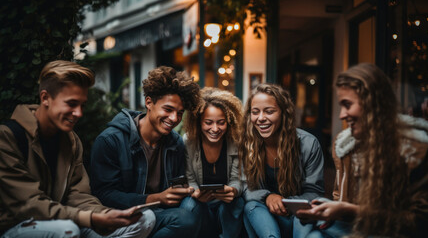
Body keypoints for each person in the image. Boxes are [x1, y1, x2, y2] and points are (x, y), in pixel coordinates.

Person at [0, 60, 155, 238]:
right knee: (67, 231)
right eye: (71, 104)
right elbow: (29, 205)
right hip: (17, 226)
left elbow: (78, 195)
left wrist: (103, 214)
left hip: (66, 219)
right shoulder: (7, 137)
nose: (79, 113)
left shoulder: (71, 140)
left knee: (145, 218)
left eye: (82, 105)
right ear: (45, 98)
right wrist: (90, 218)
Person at [296, 63, 428, 237]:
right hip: (358, 227)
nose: (341, 115)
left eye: (347, 104)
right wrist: (331, 208)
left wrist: (350, 210)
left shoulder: (414, 150)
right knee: (307, 228)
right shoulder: (348, 146)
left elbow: (419, 223)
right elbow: (343, 200)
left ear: (372, 103)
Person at [89, 66, 201, 238]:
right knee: (184, 219)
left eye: (180, 113)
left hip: (160, 214)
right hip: (120, 217)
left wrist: (189, 189)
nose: (174, 119)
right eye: (168, 109)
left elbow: (177, 185)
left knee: (193, 211)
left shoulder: (175, 142)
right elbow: (104, 194)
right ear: (149, 102)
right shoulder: (111, 140)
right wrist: (155, 198)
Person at [239, 83, 325, 238]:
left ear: (284, 113)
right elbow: (245, 187)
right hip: (265, 215)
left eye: (269, 111)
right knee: (251, 206)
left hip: (299, 214)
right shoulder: (247, 144)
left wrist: (284, 202)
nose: (261, 118)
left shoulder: (308, 144)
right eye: (255, 112)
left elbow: (315, 192)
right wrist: (268, 196)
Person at [180, 87, 245, 238]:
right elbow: (189, 177)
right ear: (198, 122)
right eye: (208, 122)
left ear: (229, 121)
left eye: (221, 123)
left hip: (225, 203)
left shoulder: (235, 142)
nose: (215, 129)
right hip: (200, 202)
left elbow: (238, 179)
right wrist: (195, 192)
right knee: (188, 205)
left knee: (238, 202)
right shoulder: (189, 141)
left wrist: (233, 191)